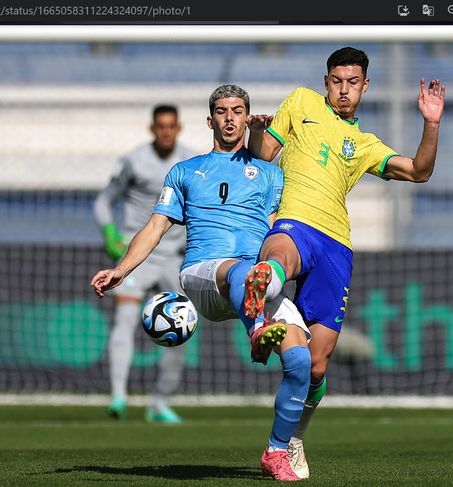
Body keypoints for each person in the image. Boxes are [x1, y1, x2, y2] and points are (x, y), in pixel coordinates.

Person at [92, 84, 311, 481]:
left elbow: (284, 230)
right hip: (203, 275)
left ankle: (276, 451)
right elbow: (156, 226)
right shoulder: (185, 172)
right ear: (210, 120)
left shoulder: (271, 175)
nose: (230, 118)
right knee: (247, 273)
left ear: (248, 118)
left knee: (300, 362)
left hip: (254, 282)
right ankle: (258, 331)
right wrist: (122, 269)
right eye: (222, 111)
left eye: (238, 111)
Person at [246, 46, 446, 479]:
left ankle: (289, 441)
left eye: (352, 83)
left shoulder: (366, 144)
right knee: (279, 253)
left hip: (336, 244)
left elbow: (419, 171)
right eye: (336, 81)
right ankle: (262, 287)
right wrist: (257, 133)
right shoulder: (300, 102)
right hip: (294, 220)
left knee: (316, 366)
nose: (343, 90)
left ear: (365, 86)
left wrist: (430, 124)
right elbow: (262, 157)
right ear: (325, 82)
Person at [93, 104, 196, 423]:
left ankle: (159, 403)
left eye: (171, 126)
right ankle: (119, 396)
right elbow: (103, 201)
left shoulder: (191, 163)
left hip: (173, 259)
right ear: (152, 128)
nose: (166, 131)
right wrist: (110, 232)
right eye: (160, 126)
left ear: (179, 128)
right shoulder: (134, 161)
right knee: (125, 318)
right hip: (136, 256)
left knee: (183, 328)